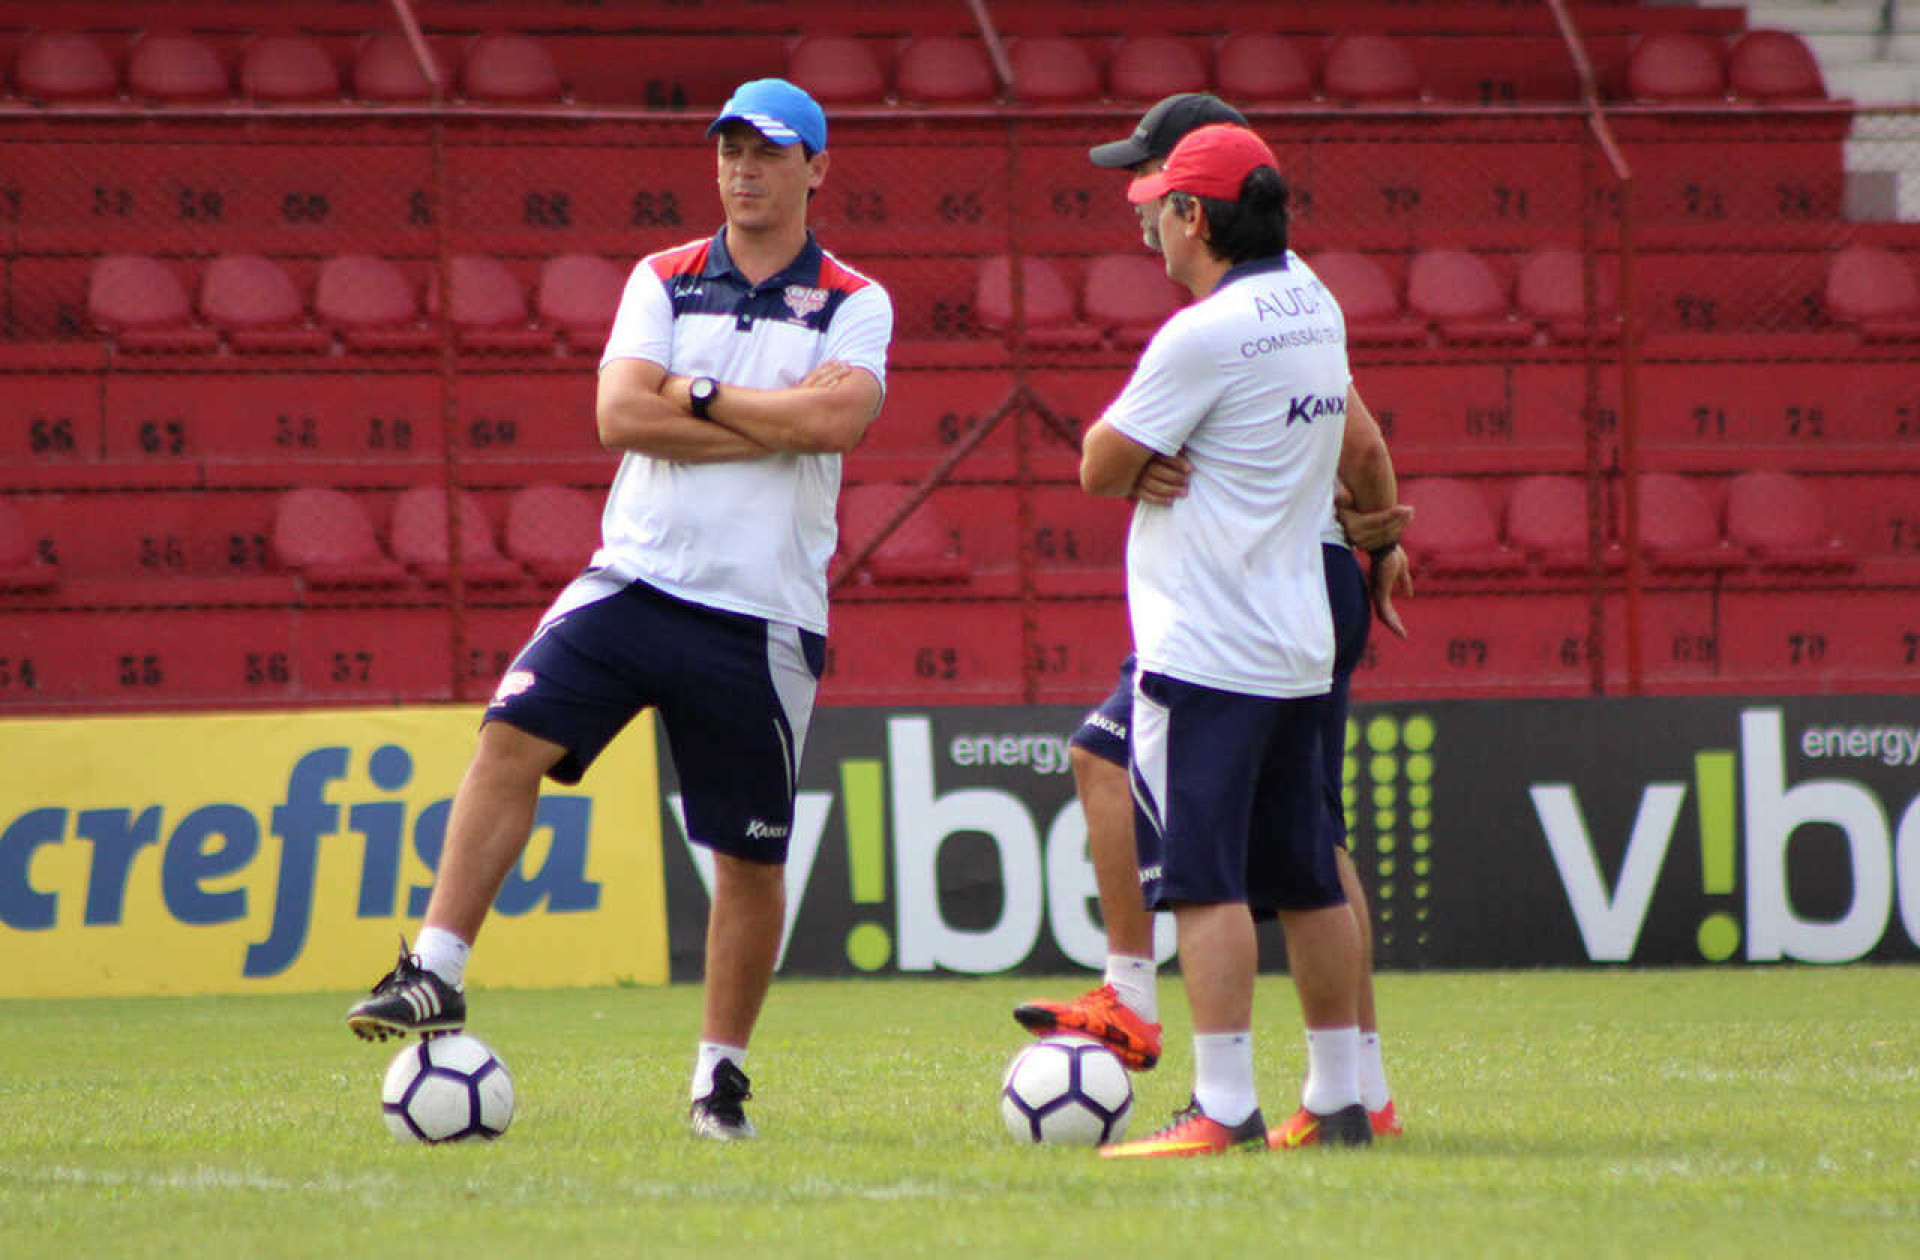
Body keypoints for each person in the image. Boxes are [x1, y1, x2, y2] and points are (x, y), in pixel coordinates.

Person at [344, 78, 893, 1143]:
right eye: (729, 149)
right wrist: (763, 422)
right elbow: (614, 414)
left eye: (768, 153)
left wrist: (692, 398)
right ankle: (433, 970)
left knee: (747, 862)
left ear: (817, 169)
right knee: (508, 737)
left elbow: (839, 421)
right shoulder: (664, 274)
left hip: (761, 615)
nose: (742, 169)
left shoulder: (855, 297)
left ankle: (719, 1080)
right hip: (633, 580)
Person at [1013, 95, 1412, 1146]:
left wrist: (1140, 454)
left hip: (1207, 645)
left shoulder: (1203, 334)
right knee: (1309, 871)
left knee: (1203, 880)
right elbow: (1355, 441)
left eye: (1157, 204)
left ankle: (1222, 1105)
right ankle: (1338, 1099)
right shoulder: (1314, 302)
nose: (1145, 220)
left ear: (1197, 218)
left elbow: (1096, 463)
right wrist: (1379, 534)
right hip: (1296, 636)